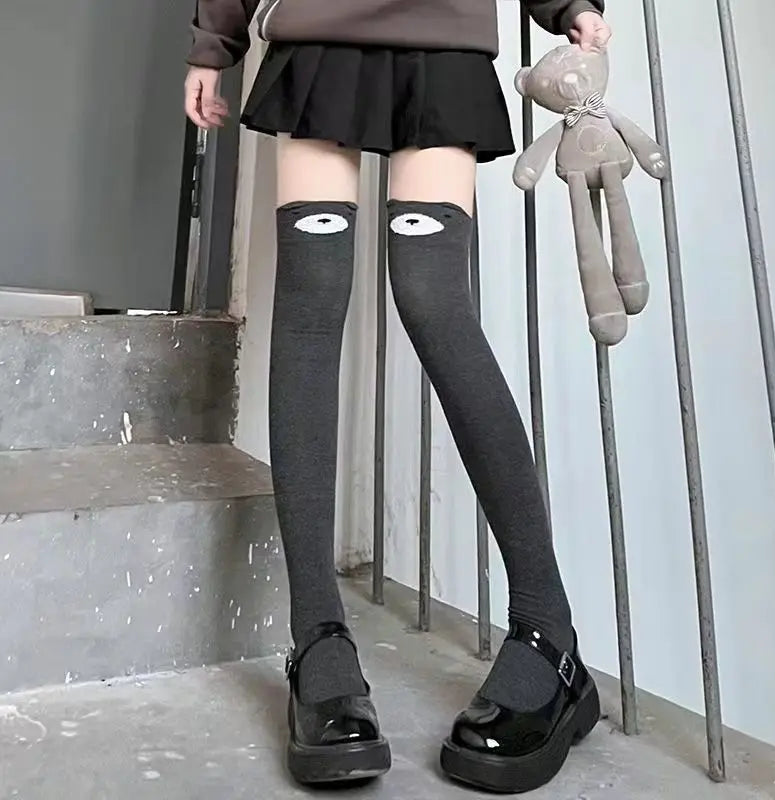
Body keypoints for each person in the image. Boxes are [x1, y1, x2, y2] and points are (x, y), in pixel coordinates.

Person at [185, 0, 611, 793]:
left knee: (435, 303)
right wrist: (214, 41)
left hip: (440, 38)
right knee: (311, 308)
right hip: (319, 35)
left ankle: (549, 633)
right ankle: (318, 639)